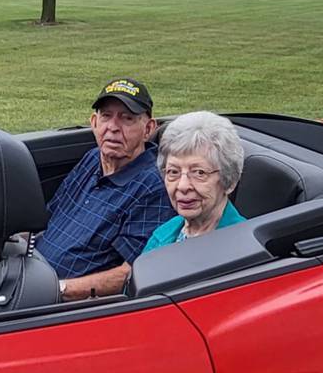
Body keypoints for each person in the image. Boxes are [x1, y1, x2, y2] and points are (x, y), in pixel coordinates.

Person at [33, 78, 175, 300]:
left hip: (60, 305)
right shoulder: (92, 159)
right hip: (29, 276)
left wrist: (58, 289)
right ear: (94, 122)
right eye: (106, 116)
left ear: (148, 129)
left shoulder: (153, 185)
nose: (113, 127)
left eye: (127, 118)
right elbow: (49, 221)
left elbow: (131, 273)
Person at [142, 111, 246, 253]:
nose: (182, 186)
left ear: (229, 180)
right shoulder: (164, 233)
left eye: (199, 173)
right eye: (173, 172)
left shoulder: (244, 248)